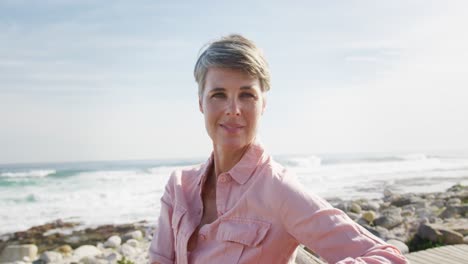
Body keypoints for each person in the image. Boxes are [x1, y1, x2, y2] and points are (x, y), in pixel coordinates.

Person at [149, 34, 408, 264]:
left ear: (263, 105)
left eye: (247, 95)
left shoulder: (279, 191)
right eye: (218, 94)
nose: (233, 109)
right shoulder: (178, 188)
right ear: (201, 104)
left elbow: (387, 257)